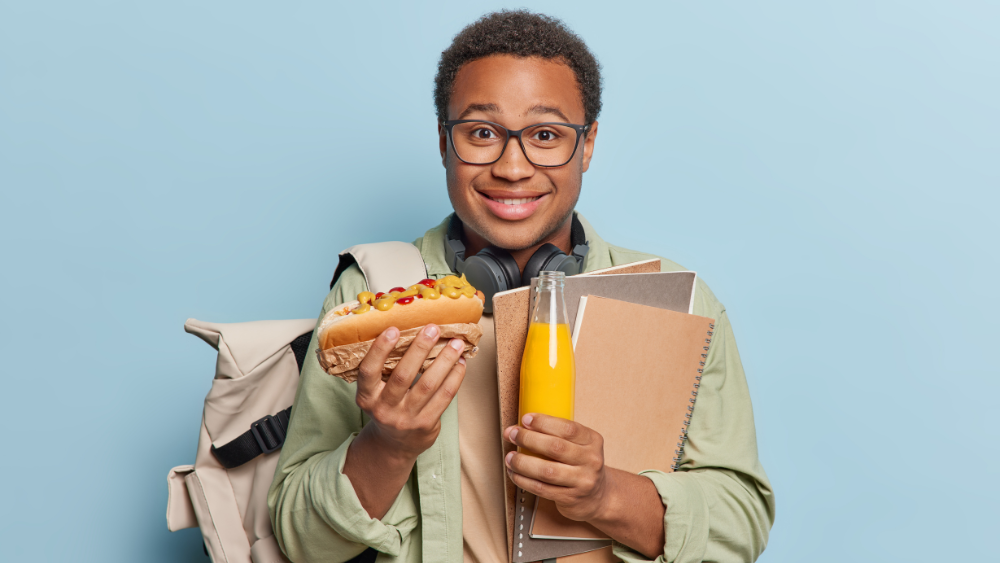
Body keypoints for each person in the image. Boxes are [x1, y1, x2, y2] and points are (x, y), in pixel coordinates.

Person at [268, 10, 774, 563]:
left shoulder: (678, 302)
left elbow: (740, 525)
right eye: (482, 133)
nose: (513, 166)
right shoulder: (368, 296)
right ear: (443, 142)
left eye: (546, 134)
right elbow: (299, 543)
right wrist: (387, 447)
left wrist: (603, 493)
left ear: (588, 145)